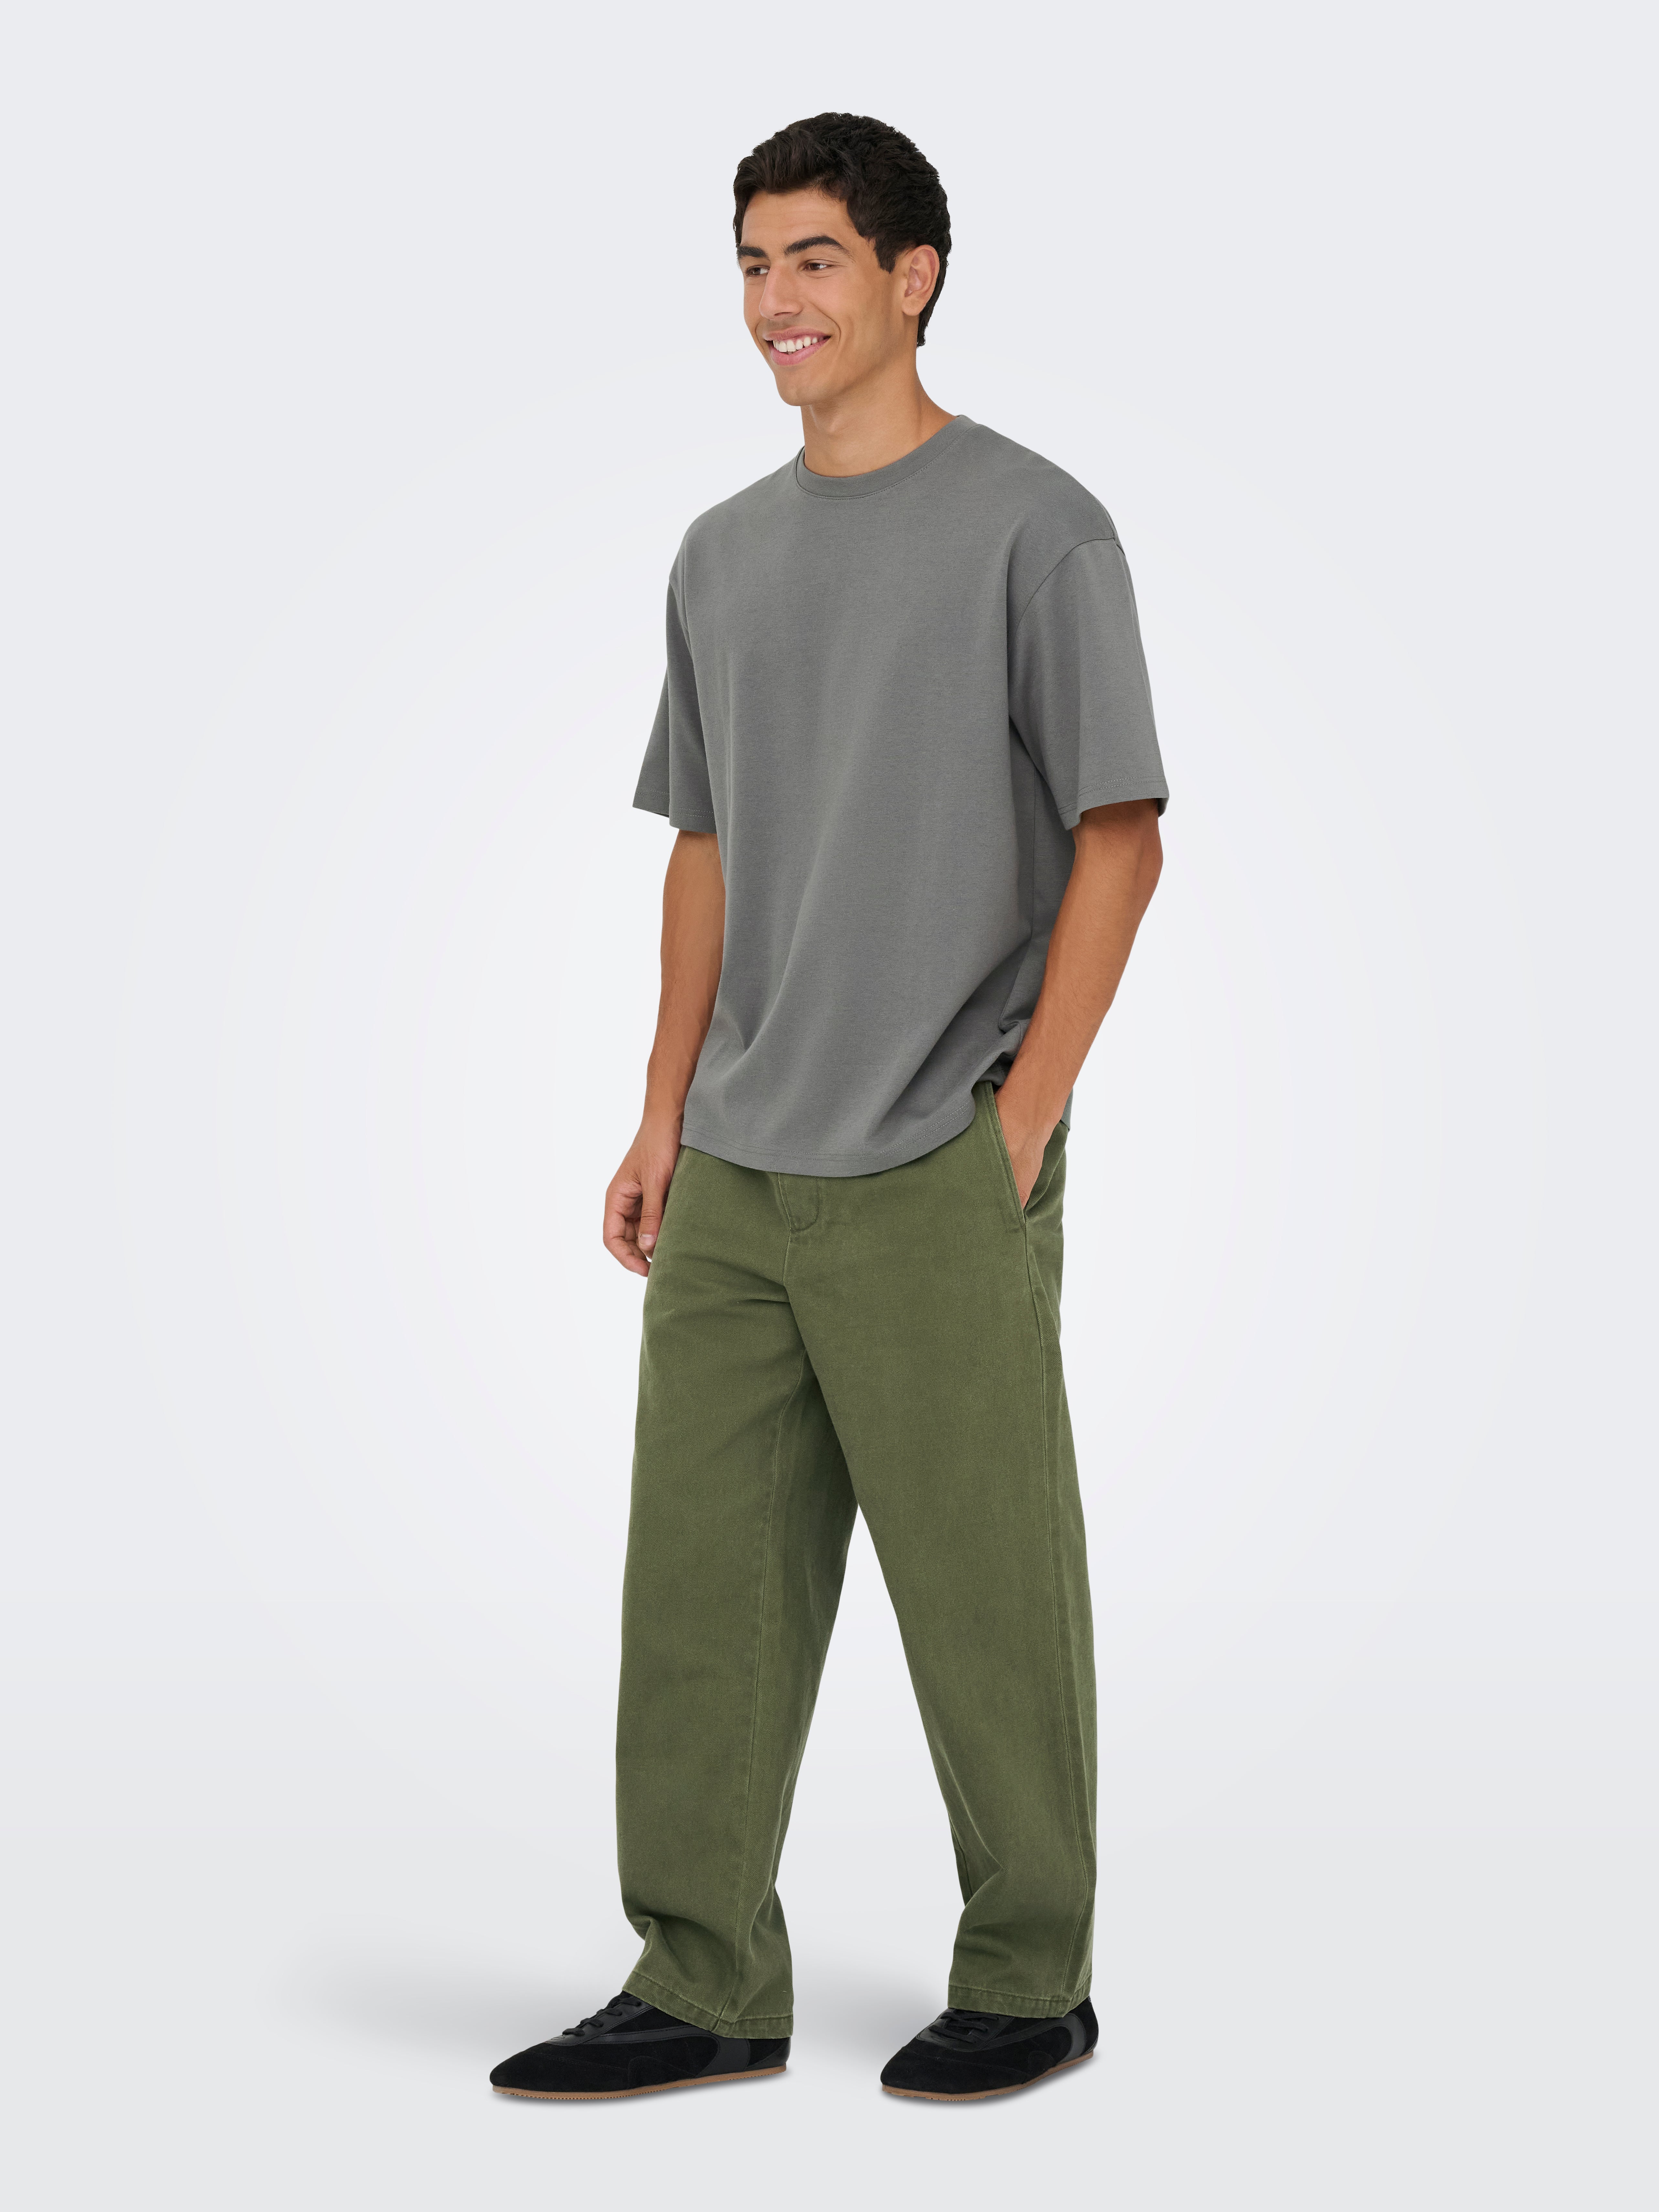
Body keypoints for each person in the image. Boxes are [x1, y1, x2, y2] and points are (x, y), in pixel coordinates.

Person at [491, 111, 1167, 2106]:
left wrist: (1022, 1120)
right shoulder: (721, 555)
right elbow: (704, 848)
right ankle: (703, 1980)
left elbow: (1120, 835)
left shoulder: (1040, 528)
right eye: (752, 265)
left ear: (911, 277)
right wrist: (661, 1113)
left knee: (986, 1595)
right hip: (738, 1161)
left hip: (939, 1152)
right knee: (698, 1595)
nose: (775, 301)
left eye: (813, 259)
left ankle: (1030, 1976)